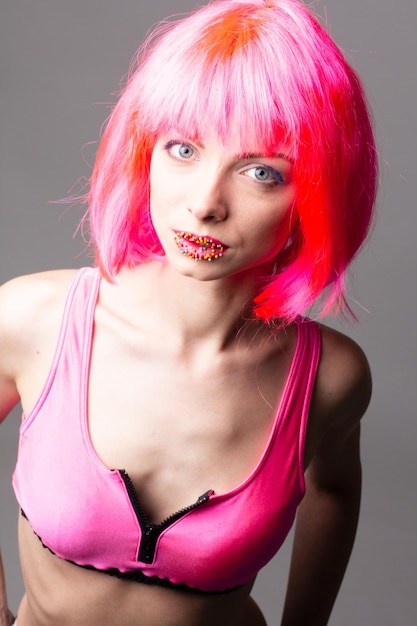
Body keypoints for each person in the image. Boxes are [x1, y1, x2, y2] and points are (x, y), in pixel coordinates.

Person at [0, 0, 378, 624]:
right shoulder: (31, 320)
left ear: (315, 193)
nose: (205, 203)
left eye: (261, 172)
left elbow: (335, 489)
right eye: (182, 149)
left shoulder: (329, 377)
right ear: (144, 150)